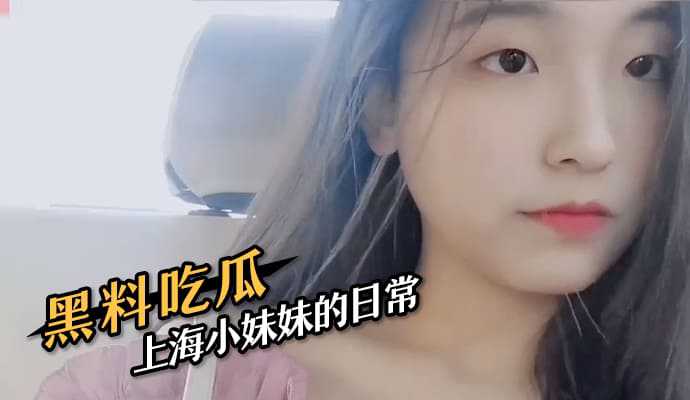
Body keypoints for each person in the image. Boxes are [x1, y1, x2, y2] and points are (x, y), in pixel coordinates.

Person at [36, 1, 690, 399]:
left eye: (646, 65)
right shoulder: (157, 388)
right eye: (512, 59)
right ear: (383, 105)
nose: (591, 143)